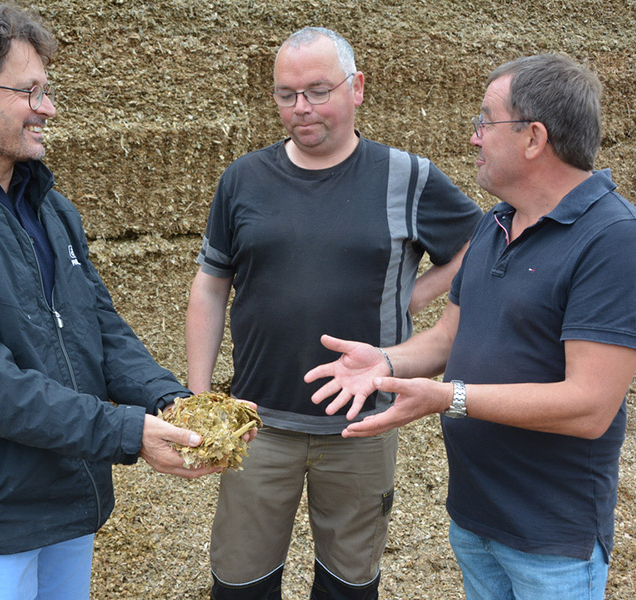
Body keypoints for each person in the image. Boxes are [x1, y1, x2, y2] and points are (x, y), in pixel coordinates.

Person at [0, 2, 231, 598]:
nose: (48, 108)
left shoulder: (49, 207)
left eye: (47, 91)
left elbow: (101, 329)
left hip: (69, 492)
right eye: (30, 92)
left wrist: (176, 404)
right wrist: (125, 431)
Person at [304, 53, 636, 599]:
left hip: (551, 538)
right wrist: (385, 362)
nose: (473, 137)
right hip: (475, 518)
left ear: (533, 138)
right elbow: (449, 336)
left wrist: (447, 398)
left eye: (484, 120)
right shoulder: (497, 223)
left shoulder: (614, 240)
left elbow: (590, 406)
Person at [185, 27, 482, 600]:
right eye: (286, 94)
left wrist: (415, 294)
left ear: (357, 89)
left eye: (318, 91)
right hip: (257, 423)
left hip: (362, 424)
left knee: (348, 585)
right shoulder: (243, 178)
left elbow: (480, 243)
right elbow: (209, 286)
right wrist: (203, 399)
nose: (301, 108)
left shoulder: (407, 177)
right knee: (240, 583)